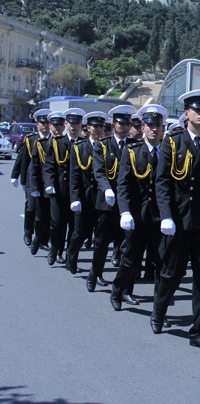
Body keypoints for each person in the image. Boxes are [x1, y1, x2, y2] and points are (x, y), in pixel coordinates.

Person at [151, 89, 200, 352]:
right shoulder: (173, 142)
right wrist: (166, 216)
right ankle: (159, 311)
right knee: (171, 274)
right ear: (186, 114)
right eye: (197, 110)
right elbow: (162, 182)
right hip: (179, 220)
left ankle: (198, 331)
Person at [111, 105, 166, 311]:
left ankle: (159, 307)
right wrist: (124, 211)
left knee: (162, 262)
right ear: (143, 128)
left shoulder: (169, 152)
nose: (154, 129)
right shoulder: (132, 151)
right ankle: (119, 291)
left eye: (157, 126)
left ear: (162, 129)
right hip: (138, 215)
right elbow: (123, 184)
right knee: (130, 259)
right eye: (150, 125)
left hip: (161, 216)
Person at [88, 105, 138, 292]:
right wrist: (107, 189)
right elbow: (99, 171)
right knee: (101, 242)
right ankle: (95, 274)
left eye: (128, 124)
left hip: (128, 203)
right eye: (121, 123)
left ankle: (125, 287)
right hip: (107, 202)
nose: (125, 127)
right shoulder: (102, 145)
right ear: (113, 124)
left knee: (128, 246)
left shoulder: (134, 145)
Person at [43, 108, 84, 266]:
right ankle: (55, 250)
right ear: (66, 124)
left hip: (77, 193)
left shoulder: (83, 144)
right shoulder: (57, 143)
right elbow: (49, 166)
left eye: (77, 123)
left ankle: (70, 256)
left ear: (81, 125)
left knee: (75, 227)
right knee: (58, 223)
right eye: (71, 123)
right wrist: (49, 184)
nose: (74, 127)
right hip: (59, 190)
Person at [66, 112, 106, 275]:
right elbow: (74, 175)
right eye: (94, 127)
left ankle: (97, 271)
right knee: (79, 233)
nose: (97, 130)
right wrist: (75, 198)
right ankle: (71, 259)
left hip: (102, 199)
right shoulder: (79, 147)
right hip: (84, 197)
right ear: (88, 128)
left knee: (100, 238)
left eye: (100, 127)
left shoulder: (106, 146)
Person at [11, 109, 48, 247]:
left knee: (44, 211)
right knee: (31, 207)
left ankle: (42, 239)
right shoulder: (31, 139)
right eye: (42, 123)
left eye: (47, 123)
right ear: (37, 125)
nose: (45, 126)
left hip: (46, 181)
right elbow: (22, 159)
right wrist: (16, 176)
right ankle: (28, 232)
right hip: (31, 180)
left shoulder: (53, 140)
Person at [28, 110, 59, 256]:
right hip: (41, 185)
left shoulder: (63, 143)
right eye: (50, 124)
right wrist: (33, 187)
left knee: (53, 219)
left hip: (56, 187)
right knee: (41, 216)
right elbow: (34, 168)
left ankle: (46, 242)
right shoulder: (41, 144)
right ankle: (37, 239)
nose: (50, 126)